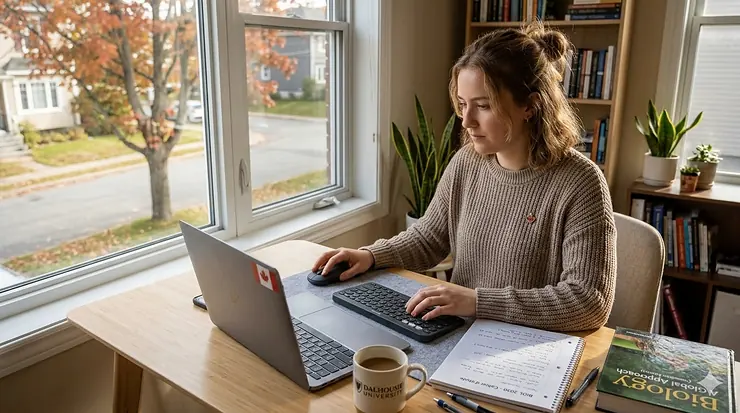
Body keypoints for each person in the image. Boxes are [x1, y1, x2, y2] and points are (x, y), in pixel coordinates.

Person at [312, 21, 617, 332]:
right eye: (462, 105)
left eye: (483, 106)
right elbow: (427, 239)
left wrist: (477, 301)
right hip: (461, 335)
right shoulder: (467, 162)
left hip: (529, 351)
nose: (467, 121)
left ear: (530, 105)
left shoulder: (581, 182)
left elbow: (588, 302)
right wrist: (370, 255)